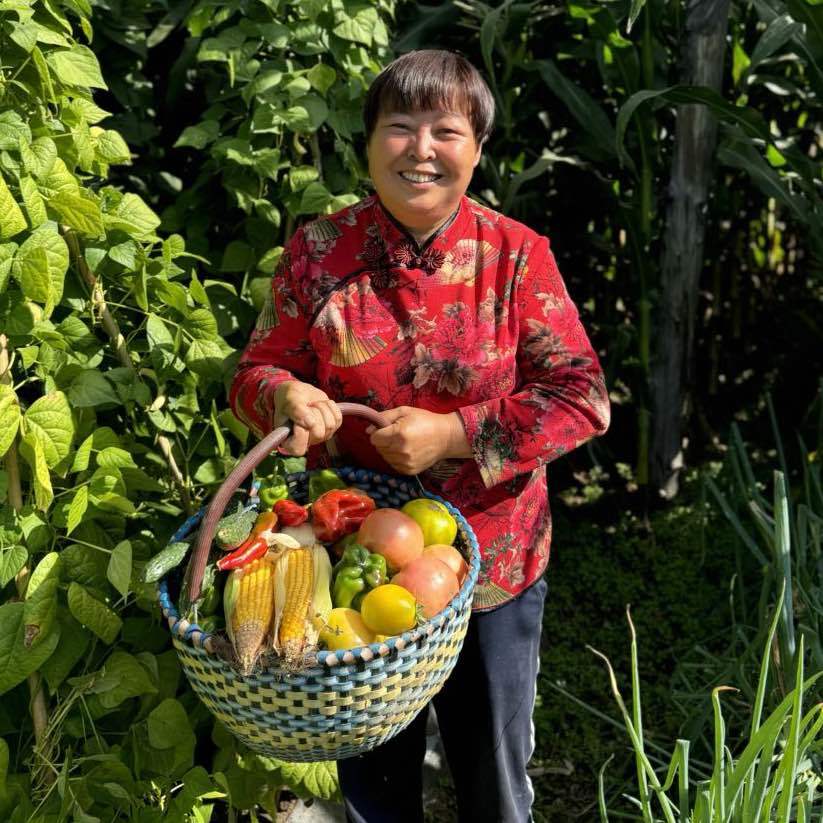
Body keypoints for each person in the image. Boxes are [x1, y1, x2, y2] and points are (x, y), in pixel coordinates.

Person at [230, 49, 610, 823]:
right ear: (368, 143)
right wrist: (286, 393)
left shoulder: (516, 258)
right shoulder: (317, 251)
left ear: (476, 148)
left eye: (445, 130)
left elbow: (580, 397)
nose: (421, 149)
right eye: (399, 128)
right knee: (374, 781)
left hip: (493, 557)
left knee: (493, 775)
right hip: (355, 559)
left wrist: (455, 433)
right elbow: (256, 370)